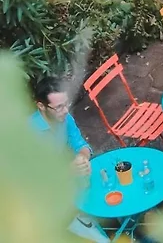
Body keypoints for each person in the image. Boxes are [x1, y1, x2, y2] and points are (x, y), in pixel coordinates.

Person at [30, 79, 110, 243]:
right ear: (41, 106)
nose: (66, 111)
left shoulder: (64, 119)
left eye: (66, 104)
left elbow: (80, 144)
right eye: (59, 107)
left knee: (105, 182)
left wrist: (82, 157)